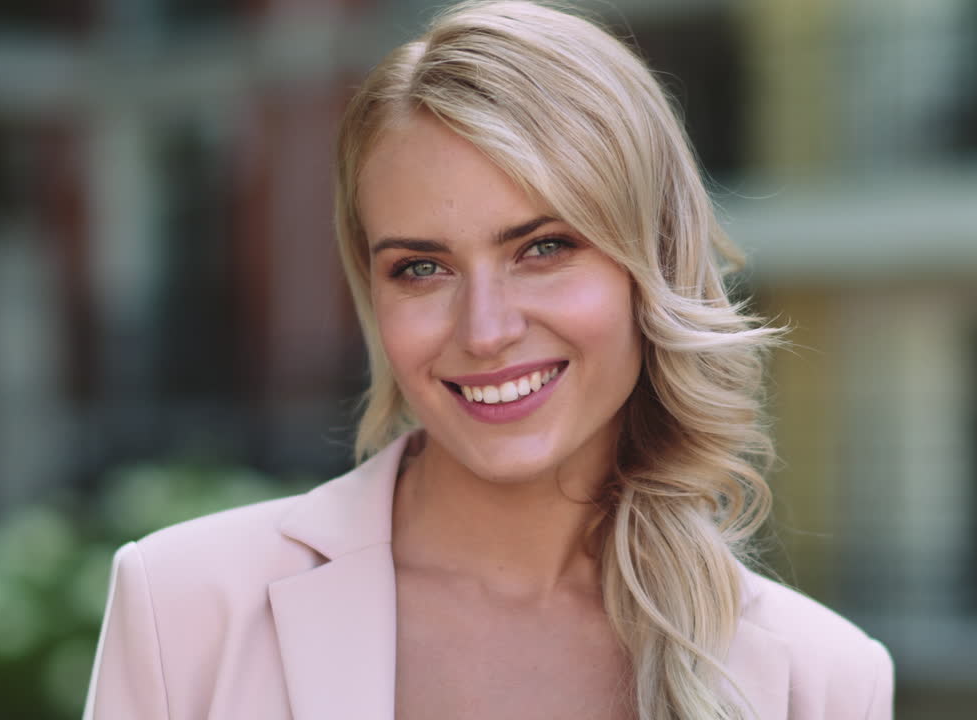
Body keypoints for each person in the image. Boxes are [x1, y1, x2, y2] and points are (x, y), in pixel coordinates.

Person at [83, 2, 893, 718]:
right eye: (421, 268)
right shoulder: (182, 607)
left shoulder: (820, 682)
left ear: (653, 264)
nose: (486, 329)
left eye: (543, 247)